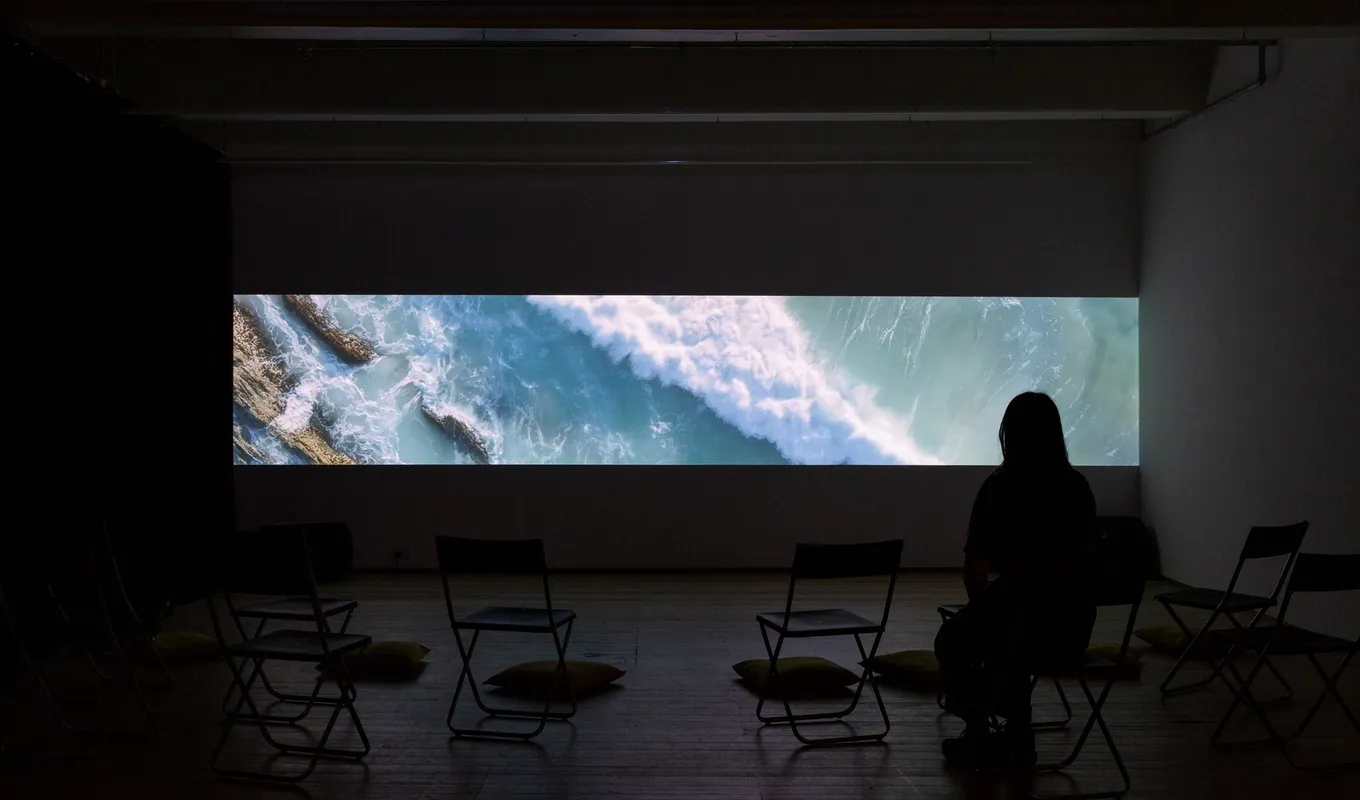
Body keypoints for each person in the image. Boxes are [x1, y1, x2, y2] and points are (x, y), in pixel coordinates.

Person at [935, 391, 1097, 769]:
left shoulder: (999, 489)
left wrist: (982, 612)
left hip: (1019, 626)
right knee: (1011, 639)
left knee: (955, 640)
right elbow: (1088, 558)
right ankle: (1018, 733)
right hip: (1072, 630)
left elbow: (975, 572)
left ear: (1009, 434)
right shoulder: (1077, 487)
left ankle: (979, 731)